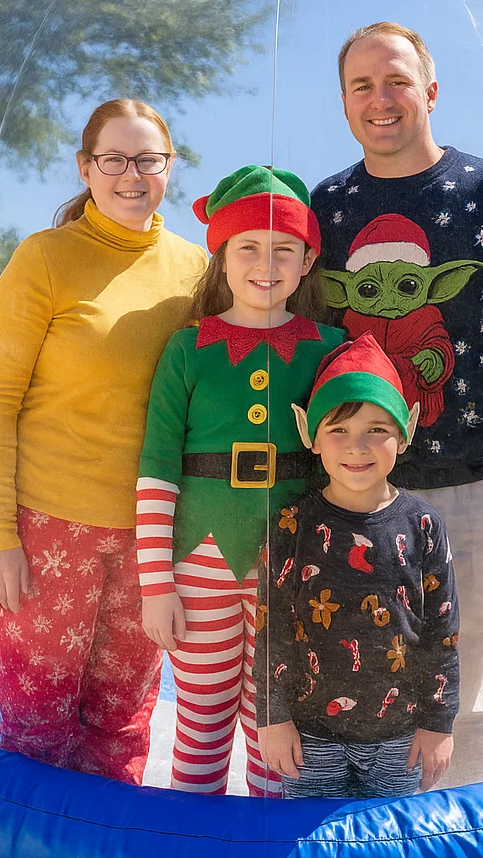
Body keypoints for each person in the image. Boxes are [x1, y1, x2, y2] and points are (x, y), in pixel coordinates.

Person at [311, 22, 483, 785]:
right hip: (350, 495)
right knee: (355, 692)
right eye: (362, 85)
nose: (381, 98)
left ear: (430, 91)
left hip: (475, 490)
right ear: (344, 103)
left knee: (470, 706)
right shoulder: (324, 209)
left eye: (397, 80)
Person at [0, 98, 207, 784]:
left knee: (124, 729)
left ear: (170, 168)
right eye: (114, 159)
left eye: (148, 159)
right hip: (48, 533)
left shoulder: (196, 271)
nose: (132, 174)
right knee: (39, 732)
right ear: (86, 167)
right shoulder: (44, 259)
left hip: (152, 536)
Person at [134, 165, 345, 796]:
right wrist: (155, 586)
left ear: (308, 261)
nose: (266, 263)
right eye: (247, 247)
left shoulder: (329, 348)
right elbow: (156, 470)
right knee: (201, 721)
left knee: (277, 723)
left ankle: (264, 840)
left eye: (285, 250)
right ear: (221, 256)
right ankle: (196, 841)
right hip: (199, 561)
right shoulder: (187, 349)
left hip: (294, 566)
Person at [255, 333, 459, 799]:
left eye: (376, 429)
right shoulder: (290, 525)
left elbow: (442, 633)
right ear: (310, 435)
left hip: (400, 736)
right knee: (308, 846)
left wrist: (438, 722)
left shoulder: (424, 526)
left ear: (404, 433)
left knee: (392, 844)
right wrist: (273, 717)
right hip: (311, 736)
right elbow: (272, 632)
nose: (358, 446)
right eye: (339, 430)